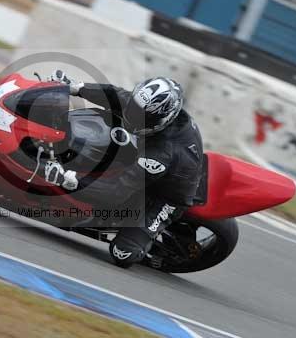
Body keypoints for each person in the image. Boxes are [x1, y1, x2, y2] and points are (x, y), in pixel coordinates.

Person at [44, 70, 204, 267]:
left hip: (164, 196)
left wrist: (70, 180)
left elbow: (116, 191)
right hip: (151, 158)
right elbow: (117, 96)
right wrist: (77, 87)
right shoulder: (149, 110)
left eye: (141, 116)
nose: (133, 116)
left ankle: (140, 240)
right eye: (135, 109)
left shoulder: (162, 153)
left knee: (122, 254)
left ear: (163, 120)